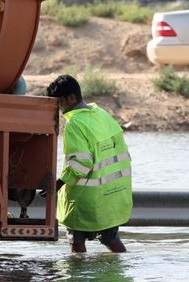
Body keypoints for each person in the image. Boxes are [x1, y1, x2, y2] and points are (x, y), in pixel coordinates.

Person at [45, 74, 132, 254]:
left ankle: (78, 279)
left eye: (60, 103)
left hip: (85, 198)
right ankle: (123, 267)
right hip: (112, 196)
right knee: (111, 239)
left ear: (71, 98)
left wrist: (57, 185)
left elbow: (81, 163)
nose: (60, 110)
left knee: (76, 243)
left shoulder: (75, 123)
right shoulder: (102, 114)